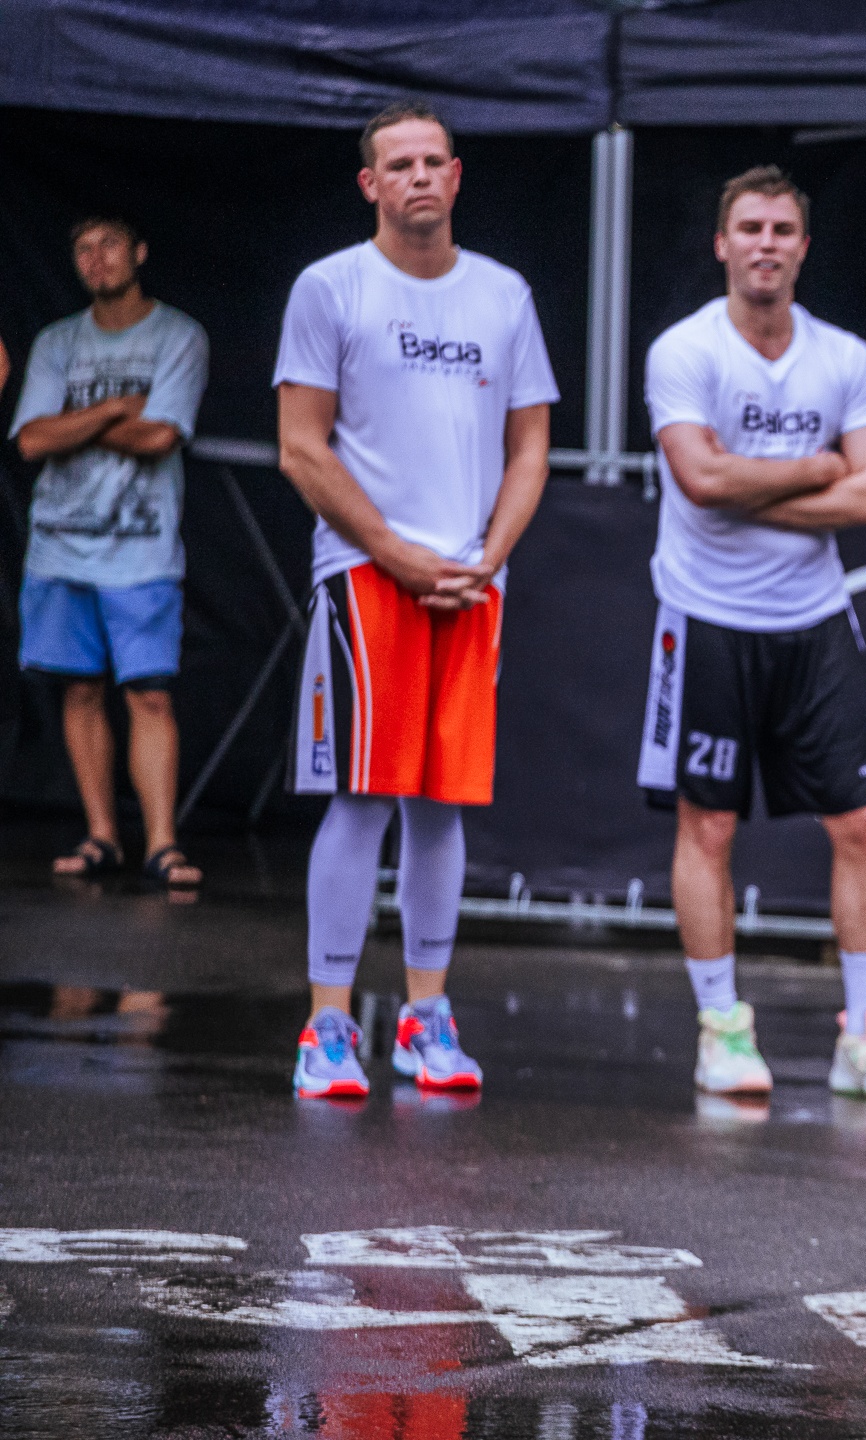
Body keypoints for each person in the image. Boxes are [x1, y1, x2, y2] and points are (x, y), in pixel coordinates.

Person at [275, 101, 557, 1099]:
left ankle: (426, 1021)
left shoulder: (503, 295)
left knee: (442, 804)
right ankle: (327, 1027)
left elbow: (531, 446)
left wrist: (488, 555)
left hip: (471, 582)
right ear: (371, 184)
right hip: (365, 579)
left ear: (457, 174)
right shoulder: (331, 287)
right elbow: (300, 446)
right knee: (361, 797)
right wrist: (394, 552)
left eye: (434, 161)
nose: (419, 177)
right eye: (399, 165)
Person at [635, 165, 866, 1105]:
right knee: (709, 825)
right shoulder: (685, 350)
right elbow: (700, 483)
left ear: (804, 247)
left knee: (863, 823)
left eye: (783, 230)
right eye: (751, 228)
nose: (766, 244)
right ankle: (721, 1029)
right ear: (723, 244)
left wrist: (746, 482)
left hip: (814, 619)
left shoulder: (844, 358)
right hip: (705, 618)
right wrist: (815, 467)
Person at [11, 218, 210, 889]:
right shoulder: (57, 341)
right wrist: (117, 408)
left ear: (140, 252)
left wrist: (73, 421)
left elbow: (159, 438)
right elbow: (32, 441)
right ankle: (101, 836)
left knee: (149, 694)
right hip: (59, 547)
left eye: (110, 245)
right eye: (83, 249)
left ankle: (162, 845)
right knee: (80, 690)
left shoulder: (178, 335)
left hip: (141, 547)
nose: (96, 259)